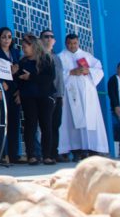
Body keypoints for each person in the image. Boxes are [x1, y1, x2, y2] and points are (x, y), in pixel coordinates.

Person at [57, 34, 109, 158]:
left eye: (75, 43)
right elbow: (57, 74)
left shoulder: (86, 55)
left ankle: (93, 148)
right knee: (71, 121)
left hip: (87, 95)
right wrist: (70, 72)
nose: (72, 46)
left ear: (78, 43)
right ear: (66, 43)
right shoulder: (60, 57)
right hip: (70, 94)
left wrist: (88, 71)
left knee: (89, 120)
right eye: (70, 43)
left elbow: (99, 69)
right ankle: (76, 149)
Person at [17, 33, 58, 165]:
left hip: (45, 97)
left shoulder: (46, 59)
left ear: (34, 46)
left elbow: (49, 78)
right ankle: (31, 155)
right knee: (30, 126)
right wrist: (15, 73)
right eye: (22, 47)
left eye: (26, 47)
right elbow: (19, 79)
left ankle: (47, 155)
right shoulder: (23, 61)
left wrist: (31, 77)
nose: (24, 49)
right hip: (28, 97)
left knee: (46, 125)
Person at [0, 27, 24, 163]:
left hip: (14, 91)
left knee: (14, 123)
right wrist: (0, 84)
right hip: (1, 89)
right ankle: (1, 154)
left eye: (9, 37)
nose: (6, 40)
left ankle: (14, 155)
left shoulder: (16, 53)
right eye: (4, 37)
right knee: (1, 122)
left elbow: (21, 73)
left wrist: (20, 90)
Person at [40, 30, 68, 162]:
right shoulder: (39, 56)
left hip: (58, 95)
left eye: (51, 36)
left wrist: (61, 95)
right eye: (46, 36)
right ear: (41, 40)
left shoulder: (57, 57)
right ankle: (45, 154)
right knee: (46, 125)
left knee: (56, 125)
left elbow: (60, 78)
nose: (49, 39)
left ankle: (54, 152)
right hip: (46, 95)